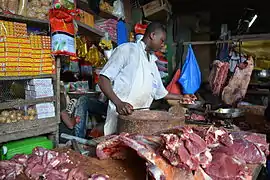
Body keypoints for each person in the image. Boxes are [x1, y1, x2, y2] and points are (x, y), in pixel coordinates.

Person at [98, 22, 185, 135]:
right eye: (162, 40)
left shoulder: (152, 63)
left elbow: (161, 93)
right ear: (152, 35)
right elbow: (103, 78)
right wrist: (118, 103)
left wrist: (182, 97)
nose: (162, 45)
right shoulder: (127, 50)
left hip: (142, 121)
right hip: (121, 116)